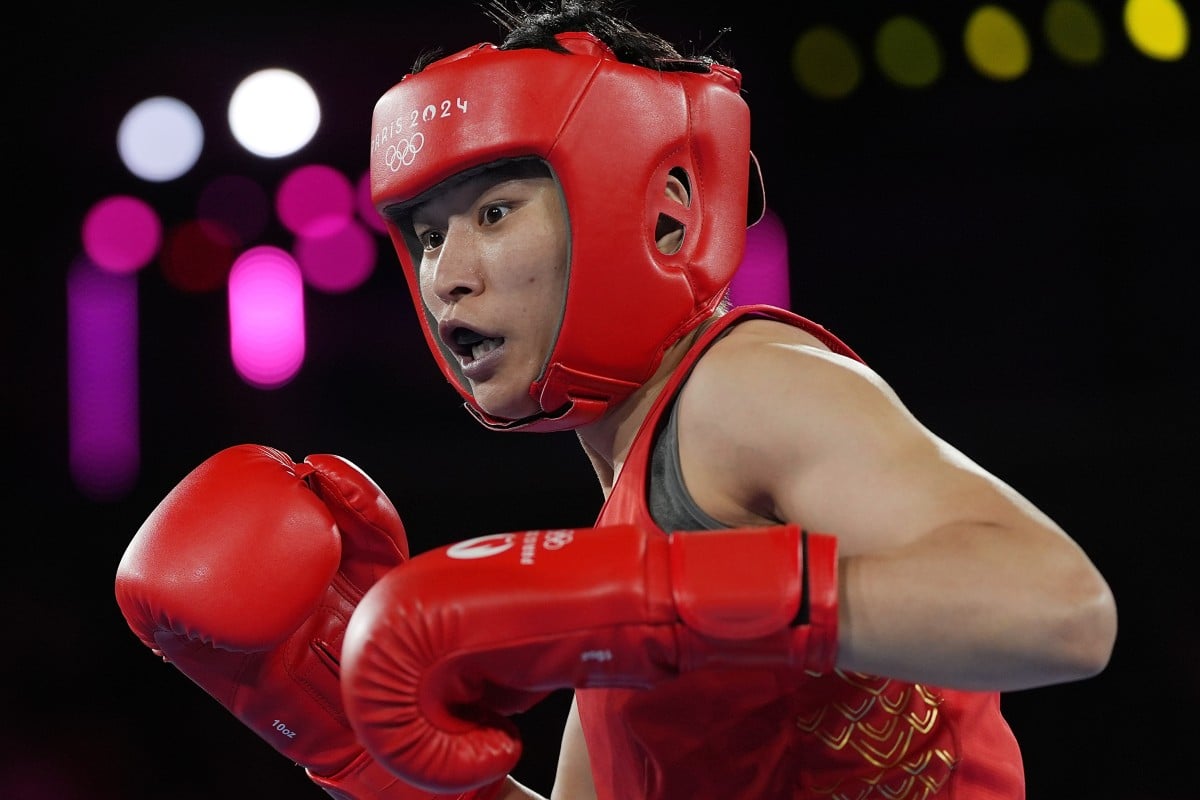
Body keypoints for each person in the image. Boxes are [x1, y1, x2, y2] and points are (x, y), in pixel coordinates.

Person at [115, 2, 1117, 800]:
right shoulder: (614, 555)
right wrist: (352, 744)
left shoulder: (742, 382)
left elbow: (1062, 610)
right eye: (425, 234)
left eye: (495, 212)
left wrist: (649, 599)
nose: (447, 274)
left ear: (664, 216)